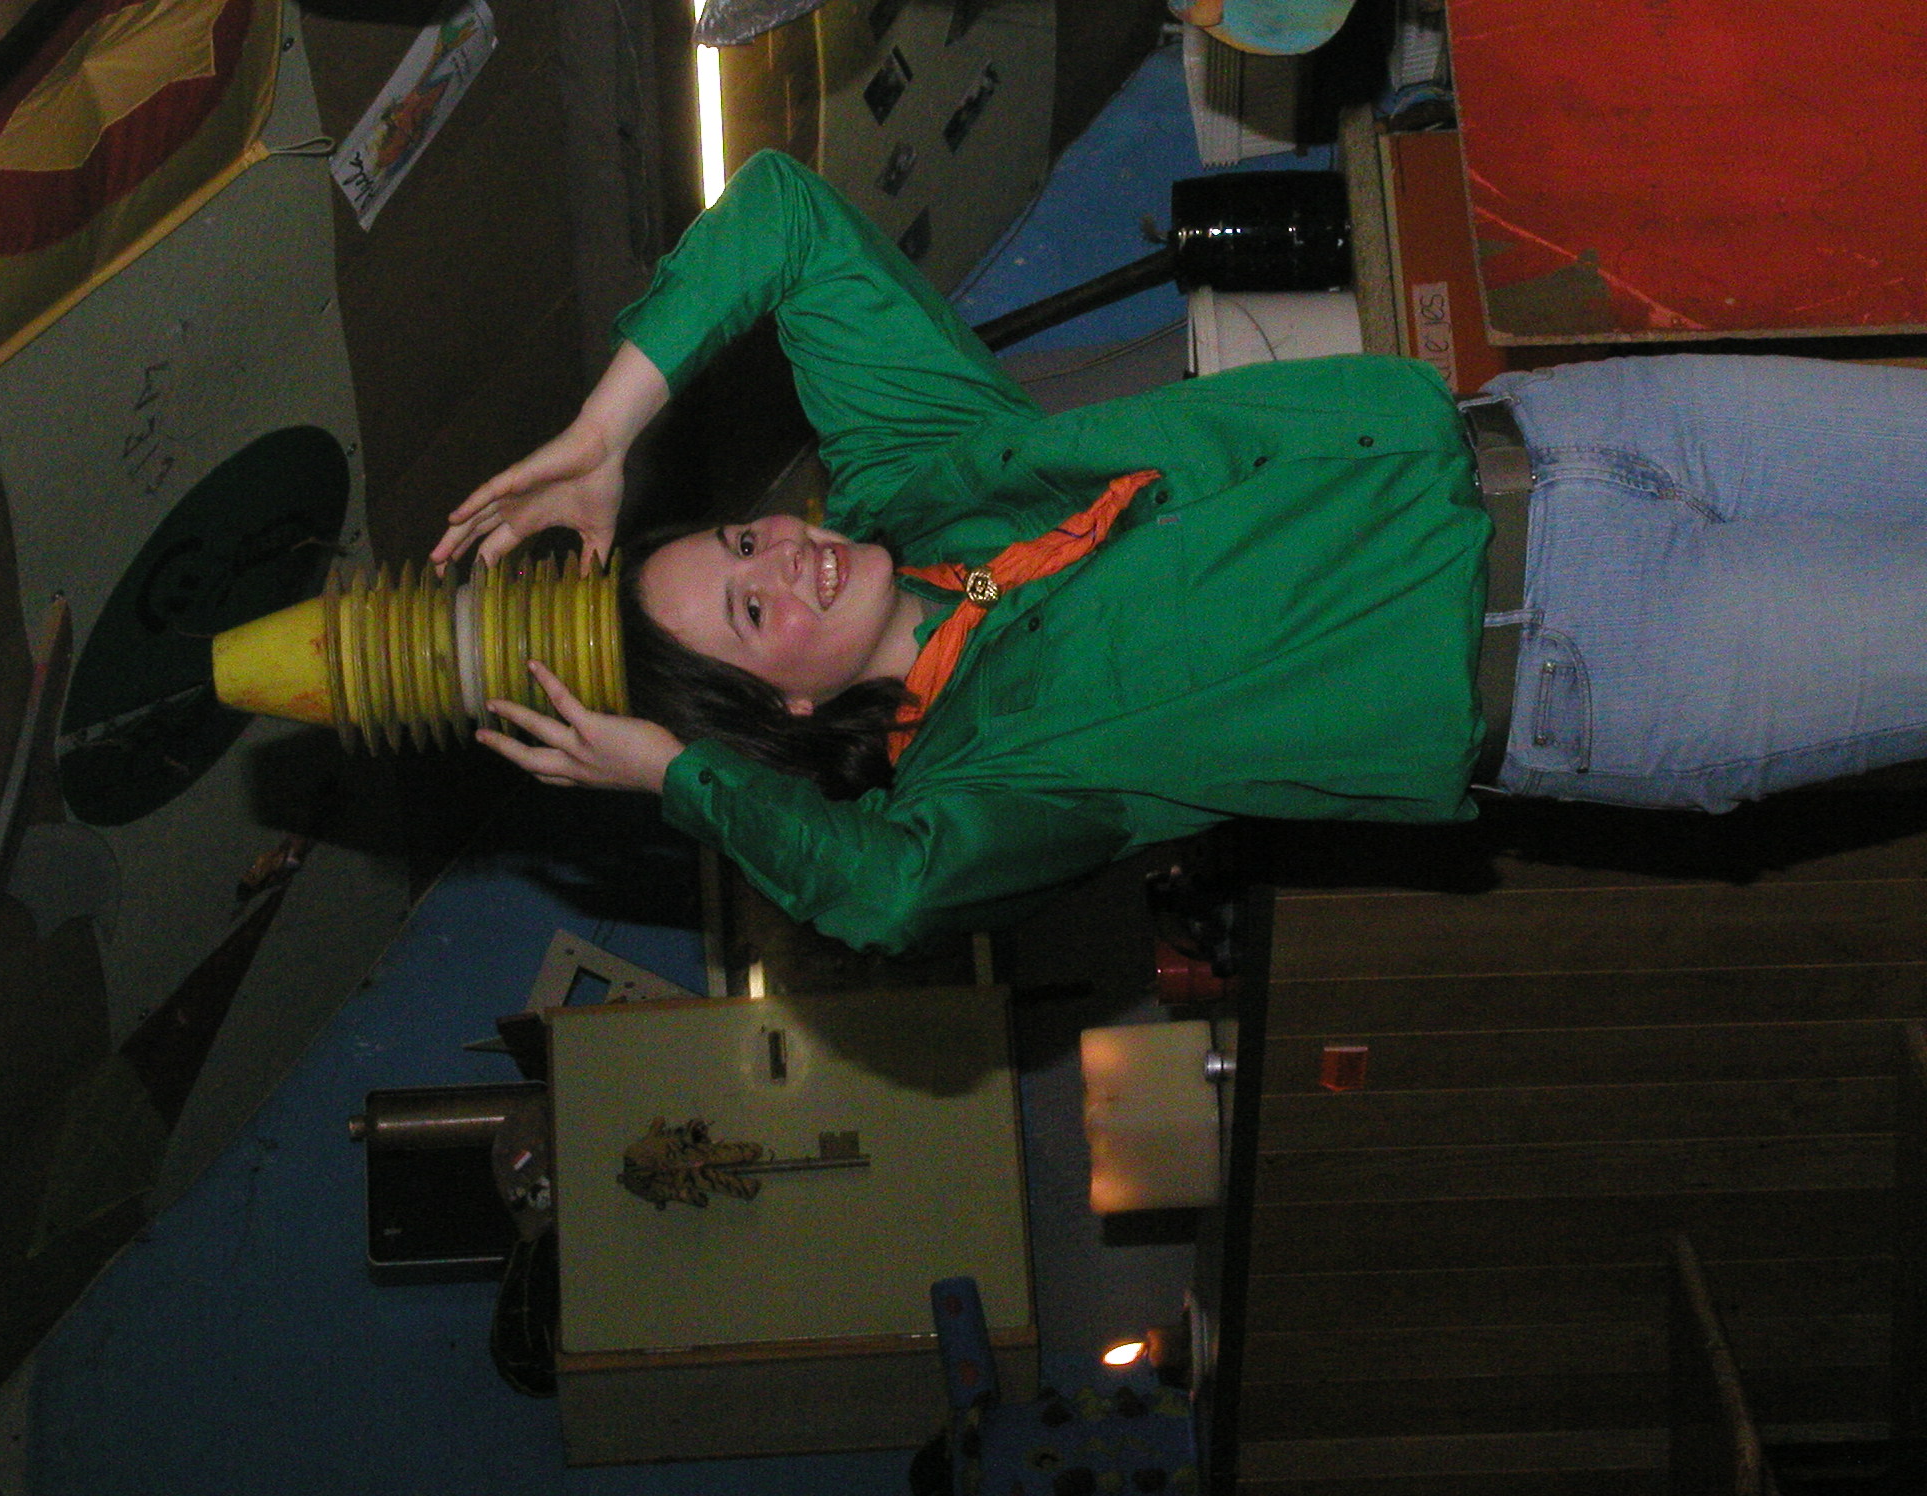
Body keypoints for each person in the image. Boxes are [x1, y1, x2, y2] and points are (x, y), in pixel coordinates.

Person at [431, 150, 1927, 954]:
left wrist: (608, 429)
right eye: (753, 612)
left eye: (746, 537)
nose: (788, 558)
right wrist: (673, 776)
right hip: (1603, 661)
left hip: (1586, 434)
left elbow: (787, 217)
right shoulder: (989, 786)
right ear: (791, 712)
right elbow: (882, 901)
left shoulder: (921, 475)